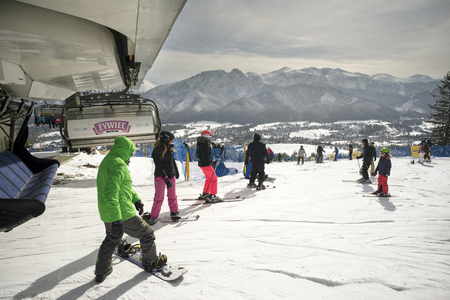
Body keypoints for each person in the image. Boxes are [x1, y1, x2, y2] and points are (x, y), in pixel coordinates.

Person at [95, 136, 167, 283]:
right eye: (131, 151)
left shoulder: (108, 160)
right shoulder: (118, 165)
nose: (132, 155)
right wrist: (117, 218)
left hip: (107, 211)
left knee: (111, 239)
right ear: (125, 150)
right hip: (121, 212)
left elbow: (122, 187)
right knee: (147, 234)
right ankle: (151, 262)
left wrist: (136, 199)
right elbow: (111, 192)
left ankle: (101, 271)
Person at [147, 131, 180, 225]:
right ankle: (154, 216)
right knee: (159, 197)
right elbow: (159, 167)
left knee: (172, 196)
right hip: (160, 177)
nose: (172, 142)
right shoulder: (157, 151)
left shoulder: (170, 148)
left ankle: (174, 212)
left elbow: (172, 161)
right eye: (171, 140)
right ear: (166, 139)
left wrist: (176, 171)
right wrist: (165, 178)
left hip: (171, 175)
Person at [196, 130, 222, 202]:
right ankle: (212, 195)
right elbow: (205, 156)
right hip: (206, 164)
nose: (211, 138)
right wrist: (213, 162)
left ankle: (206, 193)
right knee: (214, 179)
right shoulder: (205, 145)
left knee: (209, 179)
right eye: (210, 136)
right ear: (206, 137)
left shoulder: (200, 143)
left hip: (201, 164)